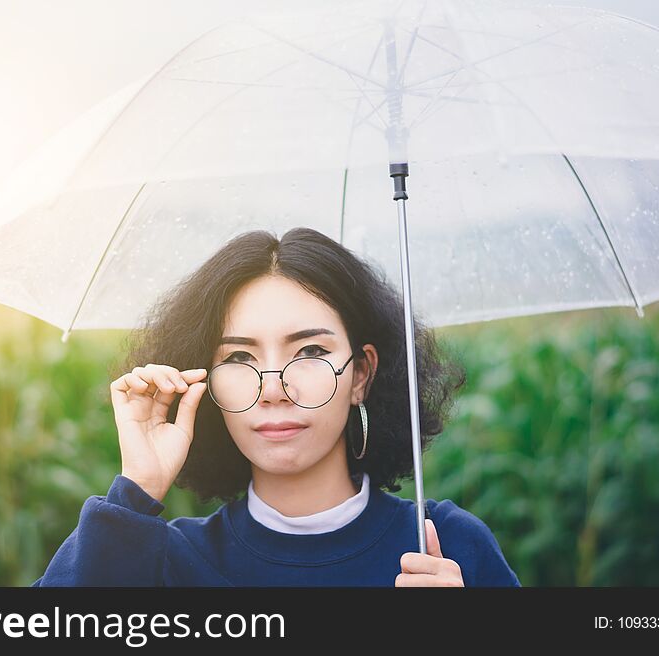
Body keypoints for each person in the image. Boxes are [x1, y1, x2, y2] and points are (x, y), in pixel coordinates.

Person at [32, 227, 521, 587]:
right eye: (240, 357)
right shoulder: (159, 563)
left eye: (310, 352)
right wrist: (135, 492)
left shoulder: (447, 548)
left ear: (362, 374)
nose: (274, 389)